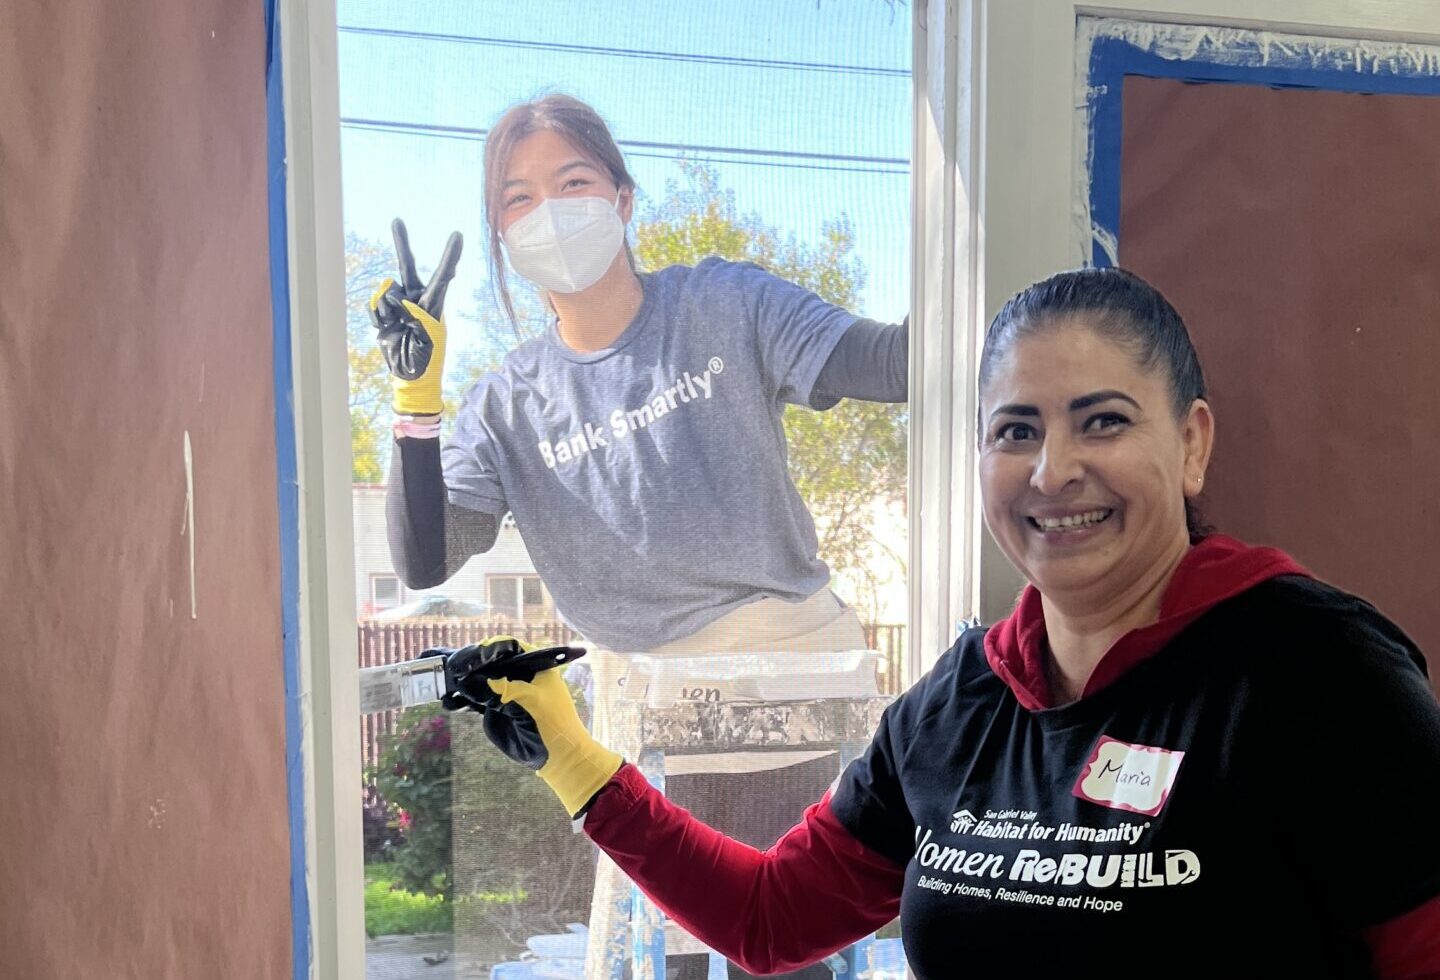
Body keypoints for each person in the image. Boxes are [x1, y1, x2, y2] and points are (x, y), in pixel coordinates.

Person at [449, 268, 1440, 979]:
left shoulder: (1315, 671)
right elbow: (769, 918)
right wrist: (572, 758)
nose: (1053, 469)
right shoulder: (959, 706)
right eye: (1016, 430)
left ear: (1191, 443)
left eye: (1102, 420)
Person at [368, 93, 908, 977]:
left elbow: (884, 361)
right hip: (648, 715)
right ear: (500, 234)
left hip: (789, 691)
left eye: (573, 182)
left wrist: (1018, 329)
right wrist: (414, 400)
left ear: (622, 199)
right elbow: (424, 558)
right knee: (678, 963)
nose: (549, 211)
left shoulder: (725, 303)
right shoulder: (507, 404)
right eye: (518, 198)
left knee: (782, 952)